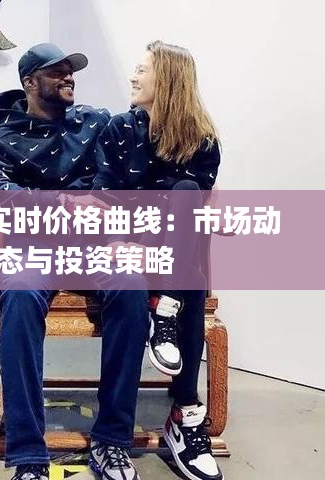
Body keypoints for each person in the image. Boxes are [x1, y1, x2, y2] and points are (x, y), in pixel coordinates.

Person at [0, 43, 148, 480]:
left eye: (71, 71)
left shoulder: (96, 122)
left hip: (97, 246)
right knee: (19, 296)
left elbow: (140, 153)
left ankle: (111, 440)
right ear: (30, 83)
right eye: (57, 72)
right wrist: (62, 202)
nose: (69, 77)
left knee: (131, 286)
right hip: (35, 248)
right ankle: (29, 455)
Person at [93, 41, 223, 480]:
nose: (133, 76)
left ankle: (165, 315)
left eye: (142, 69)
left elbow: (197, 213)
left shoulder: (203, 142)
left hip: (173, 260)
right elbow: (104, 200)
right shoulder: (118, 130)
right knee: (190, 275)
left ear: (166, 80)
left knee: (187, 200)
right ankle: (186, 412)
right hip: (126, 252)